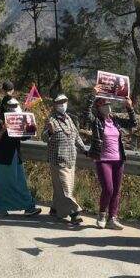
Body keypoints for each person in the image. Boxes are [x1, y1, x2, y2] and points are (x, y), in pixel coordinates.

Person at [85, 94, 137, 229]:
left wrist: (130, 108)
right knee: (108, 189)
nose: (107, 107)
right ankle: (102, 214)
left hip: (118, 159)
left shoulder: (116, 120)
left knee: (116, 190)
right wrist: (92, 95)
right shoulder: (96, 121)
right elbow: (86, 114)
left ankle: (112, 218)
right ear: (98, 107)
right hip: (103, 159)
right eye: (103, 104)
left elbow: (133, 123)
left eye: (108, 104)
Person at [0, 97, 41, 216]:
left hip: (15, 156)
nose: (13, 108)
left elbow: (24, 136)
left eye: (15, 105)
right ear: (5, 106)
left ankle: (28, 206)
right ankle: (0, 208)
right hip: (2, 157)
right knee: (2, 184)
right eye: (11, 106)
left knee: (20, 183)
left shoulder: (18, 119)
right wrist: (4, 129)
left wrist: (32, 128)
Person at [42, 94, 86, 224]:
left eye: (64, 101)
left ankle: (55, 209)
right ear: (55, 105)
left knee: (62, 187)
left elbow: (76, 136)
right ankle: (74, 213)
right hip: (58, 159)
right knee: (65, 188)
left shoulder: (69, 119)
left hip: (71, 159)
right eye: (60, 102)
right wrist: (49, 131)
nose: (63, 104)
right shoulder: (51, 120)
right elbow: (44, 138)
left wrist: (84, 149)